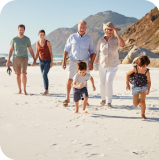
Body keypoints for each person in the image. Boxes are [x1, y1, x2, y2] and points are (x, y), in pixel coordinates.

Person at [62, 20, 96, 106]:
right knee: (70, 79)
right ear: (78, 27)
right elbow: (66, 49)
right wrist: (64, 61)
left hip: (85, 61)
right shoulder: (72, 37)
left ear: (86, 28)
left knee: (84, 80)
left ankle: (84, 99)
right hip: (73, 61)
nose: (82, 29)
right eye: (81, 27)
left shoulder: (89, 38)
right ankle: (67, 98)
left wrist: (91, 63)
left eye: (84, 27)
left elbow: (92, 52)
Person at [94, 22, 125, 107]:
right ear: (105, 30)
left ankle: (109, 102)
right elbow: (97, 52)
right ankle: (103, 100)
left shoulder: (116, 40)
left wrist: (117, 34)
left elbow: (122, 44)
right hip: (102, 65)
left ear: (113, 31)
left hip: (113, 65)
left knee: (108, 82)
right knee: (102, 83)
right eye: (108, 29)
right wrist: (93, 63)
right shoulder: (101, 40)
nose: (109, 31)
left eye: (111, 29)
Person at [6, 24, 36, 95]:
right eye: (20, 30)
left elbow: (31, 50)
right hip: (16, 58)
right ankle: (19, 90)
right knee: (18, 75)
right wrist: (8, 60)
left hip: (24, 58)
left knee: (24, 73)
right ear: (18, 30)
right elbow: (10, 50)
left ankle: (24, 90)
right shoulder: (14, 39)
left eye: (22, 30)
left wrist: (34, 59)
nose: (21, 31)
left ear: (24, 30)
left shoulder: (27, 39)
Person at [35, 30, 53, 95]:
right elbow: (37, 53)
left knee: (44, 74)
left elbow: (51, 52)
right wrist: (34, 60)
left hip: (48, 61)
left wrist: (52, 62)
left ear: (44, 35)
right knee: (44, 76)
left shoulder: (47, 42)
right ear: (38, 35)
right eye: (40, 34)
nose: (42, 36)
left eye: (43, 34)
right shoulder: (37, 43)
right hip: (41, 61)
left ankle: (46, 90)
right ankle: (46, 89)